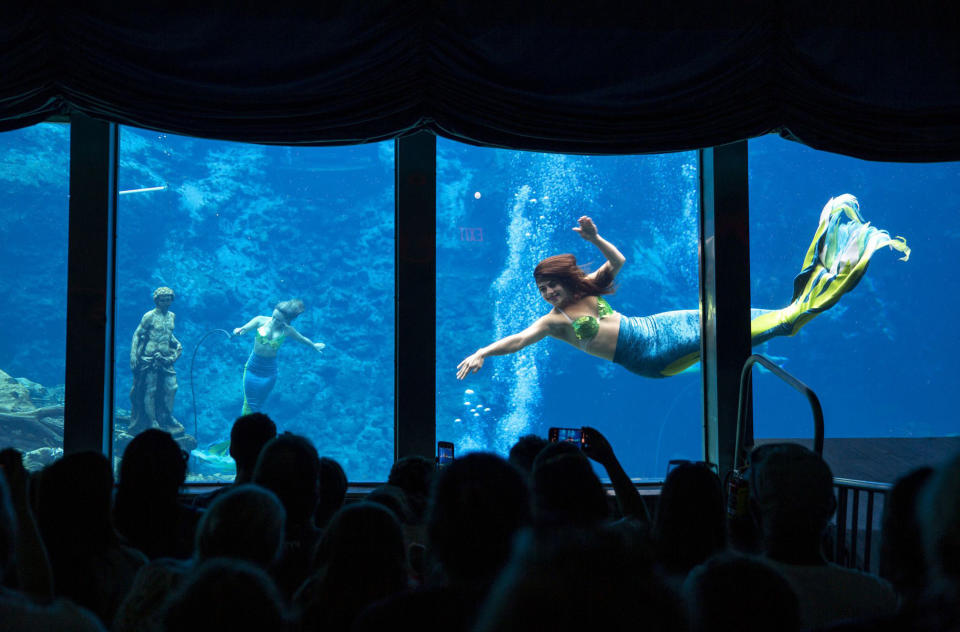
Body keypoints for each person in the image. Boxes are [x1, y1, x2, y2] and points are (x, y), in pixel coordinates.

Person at [458, 195, 909, 380]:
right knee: (745, 330)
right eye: (542, 290)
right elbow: (517, 340)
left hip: (658, 324)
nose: (548, 295)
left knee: (742, 318)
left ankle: (786, 316)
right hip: (648, 355)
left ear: (565, 281)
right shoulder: (554, 322)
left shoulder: (588, 290)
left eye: (551, 286)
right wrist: (482, 351)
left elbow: (619, 261)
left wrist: (595, 238)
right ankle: (797, 315)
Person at [233, 298, 325, 414]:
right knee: (249, 403)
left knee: (258, 403)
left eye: (278, 320)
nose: (274, 321)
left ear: (287, 321)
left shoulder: (287, 331)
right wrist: (239, 330)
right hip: (253, 368)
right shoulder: (260, 320)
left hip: (269, 372)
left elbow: (302, 339)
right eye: (273, 317)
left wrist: (314, 345)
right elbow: (243, 329)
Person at [129, 286, 183, 434]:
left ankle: (167, 416)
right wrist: (133, 355)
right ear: (157, 301)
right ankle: (152, 420)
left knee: (172, 387)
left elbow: (167, 335)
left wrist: (177, 344)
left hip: (166, 359)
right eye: (162, 300)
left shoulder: (172, 316)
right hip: (150, 359)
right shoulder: (149, 316)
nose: (166, 303)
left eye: (168, 300)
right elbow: (137, 334)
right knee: (150, 390)